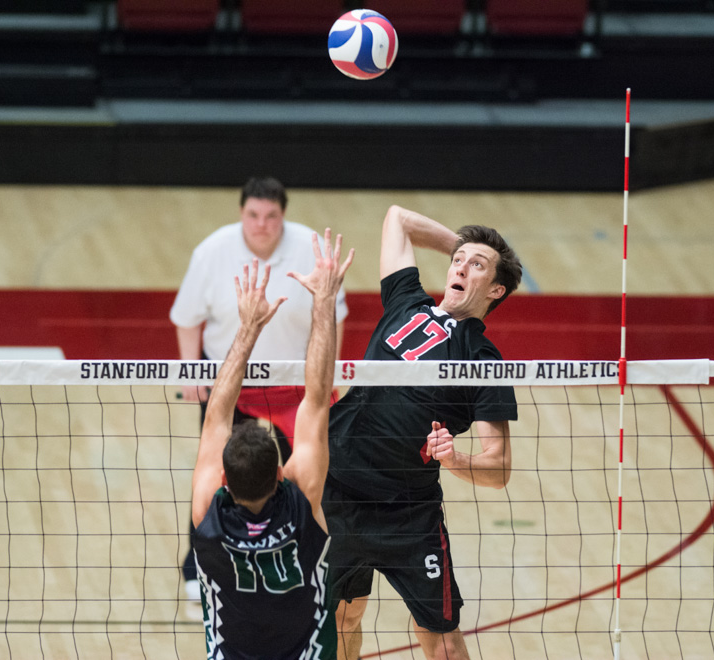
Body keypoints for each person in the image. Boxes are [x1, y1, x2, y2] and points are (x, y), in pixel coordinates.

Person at [324, 205, 523, 660]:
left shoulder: (483, 359)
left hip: (408, 516)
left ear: (496, 290)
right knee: (342, 620)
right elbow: (397, 218)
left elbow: (499, 468)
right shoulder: (407, 301)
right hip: (339, 494)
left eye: (477, 266)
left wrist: (455, 459)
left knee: (443, 642)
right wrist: (465, 248)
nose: (460, 267)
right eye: (458, 260)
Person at [171, 176, 349, 598]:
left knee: (306, 477)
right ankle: (198, 565)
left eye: (271, 216)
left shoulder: (308, 247)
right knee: (217, 473)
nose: (262, 224)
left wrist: (330, 374)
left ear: (283, 215)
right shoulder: (212, 251)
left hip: (295, 384)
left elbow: (335, 316)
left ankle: (301, 554)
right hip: (232, 382)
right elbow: (186, 318)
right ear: (241, 213)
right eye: (253, 214)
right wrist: (191, 372)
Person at [190, 229, 354, 659]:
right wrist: (324, 301)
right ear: (281, 473)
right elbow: (317, 397)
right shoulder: (302, 498)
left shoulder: (208, 512)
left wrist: (247, 327)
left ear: (224, 479)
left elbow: (215, 417)